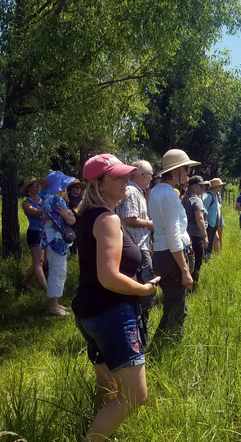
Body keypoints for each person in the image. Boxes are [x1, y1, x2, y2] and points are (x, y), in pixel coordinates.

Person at [72, 154, 159, 442]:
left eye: (126, 176)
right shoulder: (107, 219)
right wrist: (144, 290)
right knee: (136, 396)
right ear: (98, 183)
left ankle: (95, 431)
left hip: (90, 310)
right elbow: (108, 277)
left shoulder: (88, 216)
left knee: (107, 386)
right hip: (111, 312)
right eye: (118, 177)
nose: (126, 181)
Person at [148, 149, 199, 339]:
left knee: (174, 305)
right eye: (185, 169)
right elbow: (173, 234)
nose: (187, 173)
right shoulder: (168, 194)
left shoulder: (157, 190)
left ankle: (165, 344)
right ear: (176, 170)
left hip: (163, 254)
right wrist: (185, 270)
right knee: (177, 310)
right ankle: (164, 346)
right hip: (171, 255)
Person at [115, 160, 155, 335]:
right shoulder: (132, 192)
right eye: (151, 175)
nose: (152, 179)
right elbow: (129, 219)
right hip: (137, 247)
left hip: (139, 245)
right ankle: (138, 327)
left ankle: (138, 326)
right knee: (146, 288)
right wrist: (150, 224)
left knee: (142, 288)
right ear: (144, 176)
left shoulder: (136, 191)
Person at [40, 170, 76, 316]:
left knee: (55, 269)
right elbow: (70, 219)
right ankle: (54, 306)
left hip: (49, 237)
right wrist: (71, 214)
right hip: (57, 239)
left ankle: (56, 302)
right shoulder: (57, 200)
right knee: (58, 271)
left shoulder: (47, 198)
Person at [19, 176, 49, 292]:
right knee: (39, 262)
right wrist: (50, 208)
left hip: (45, 232)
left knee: (43, 261)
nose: (38, 187)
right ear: (29, 189)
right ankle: (47, 291)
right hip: (35, 232)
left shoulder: (43, 201)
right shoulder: (26, 203)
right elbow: (35, 212)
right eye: (35, 185)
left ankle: (23, 283)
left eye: (39, 185)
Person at [182, 176, 209, 288]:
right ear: (195, 187)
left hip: (186, 236)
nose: (203, 188)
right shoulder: (196, 200)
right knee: (197, 262)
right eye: (201, 186)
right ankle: (193, 288)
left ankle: (187, 286)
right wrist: (205, 235)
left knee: (188, 261)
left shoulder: (185, 199)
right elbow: (199, 218)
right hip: (196, 236)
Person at [202, 177, 225, 256]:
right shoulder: (208, 196)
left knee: (211, 240)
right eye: (220, 186)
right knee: (208, 240)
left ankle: (209, 255)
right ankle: (206, 256)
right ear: (215, 187)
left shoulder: (216, 196)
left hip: (214, 222)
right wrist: (205, 221)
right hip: (209, 223)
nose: (221, 187)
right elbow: (203, 209)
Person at [67, 179, 86, 256]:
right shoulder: (67, 198)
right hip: (71, 224)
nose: (78, 189)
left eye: (80, 188)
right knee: (73, 243)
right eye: (76, 187)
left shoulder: (82, 198)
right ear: (71, 188)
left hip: (82, 223)